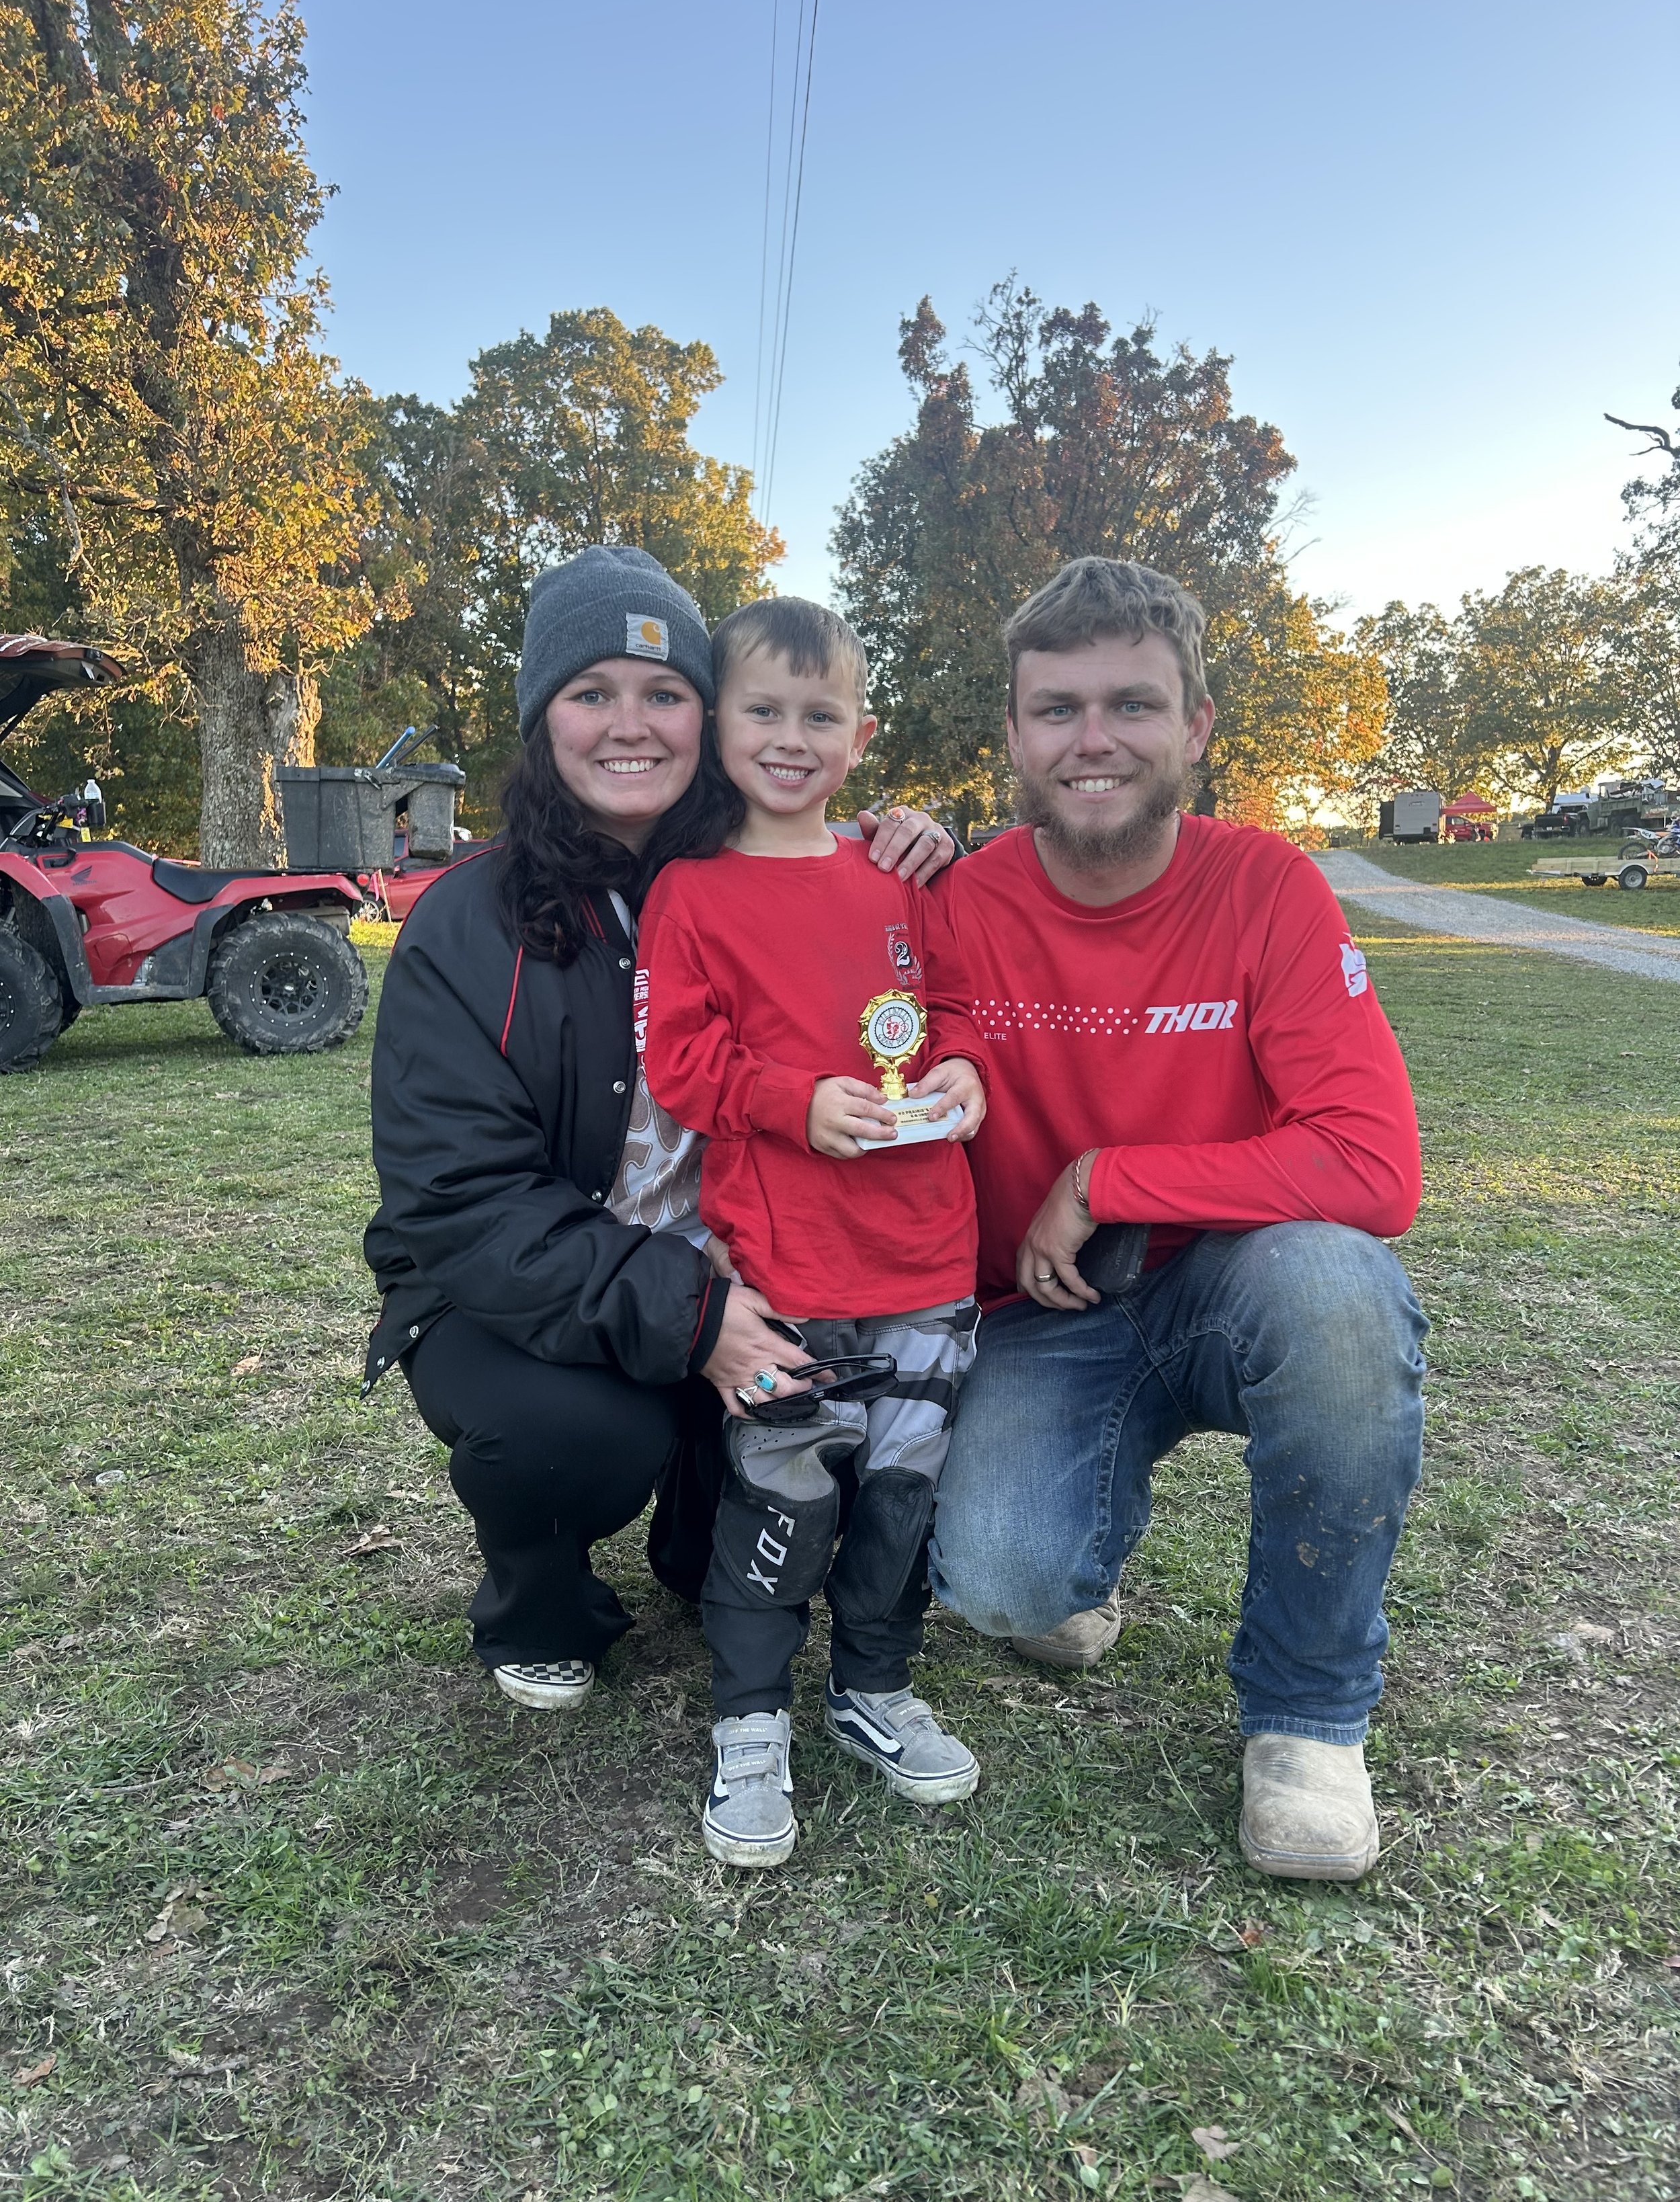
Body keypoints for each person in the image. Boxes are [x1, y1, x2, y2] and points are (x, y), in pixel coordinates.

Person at [363, 547, 954, 1713]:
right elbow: (465, 1204)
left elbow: (897, 965)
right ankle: (540, 1602)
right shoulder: (466, 923)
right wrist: (698, 1318)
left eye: (664, 692)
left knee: (840, 1454)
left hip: (755, 1248)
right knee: (562, 1434)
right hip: (518, 1290)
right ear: (543, 719)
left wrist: (912, 846)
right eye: (592, 692)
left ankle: (700, 1537)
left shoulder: (759, 871)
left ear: (708, 716)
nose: (630, 725)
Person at [927, 557, 1427, 1883]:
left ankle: (1307, 1716)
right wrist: (878, 836)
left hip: (1231, 1280)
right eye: (1057, 709)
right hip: (1043, 1306)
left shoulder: (1267, 886)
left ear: (1195, 725)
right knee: (1001, 1581)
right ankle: (1073, 1558)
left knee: (1339, 1290)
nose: (1091, 739)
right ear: (1015, 735)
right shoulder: (959, 904)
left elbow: (1374, 1168)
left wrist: (1107, 1177)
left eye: (1132, 705)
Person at [638, 597, 989, 1868]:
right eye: (765, 711)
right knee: (779, 1494)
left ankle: (874, 1686)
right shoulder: (689, 891)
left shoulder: (902, 876)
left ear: (861, 736)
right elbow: (680, 1062)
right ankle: (750, 1718)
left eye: (820, 716)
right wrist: (793, 1102)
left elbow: (957, 1008)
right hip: (786, 1270)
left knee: (900, 1492)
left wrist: (966, 1070)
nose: (792, 739)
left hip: (928, 1262)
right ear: (717, 721)